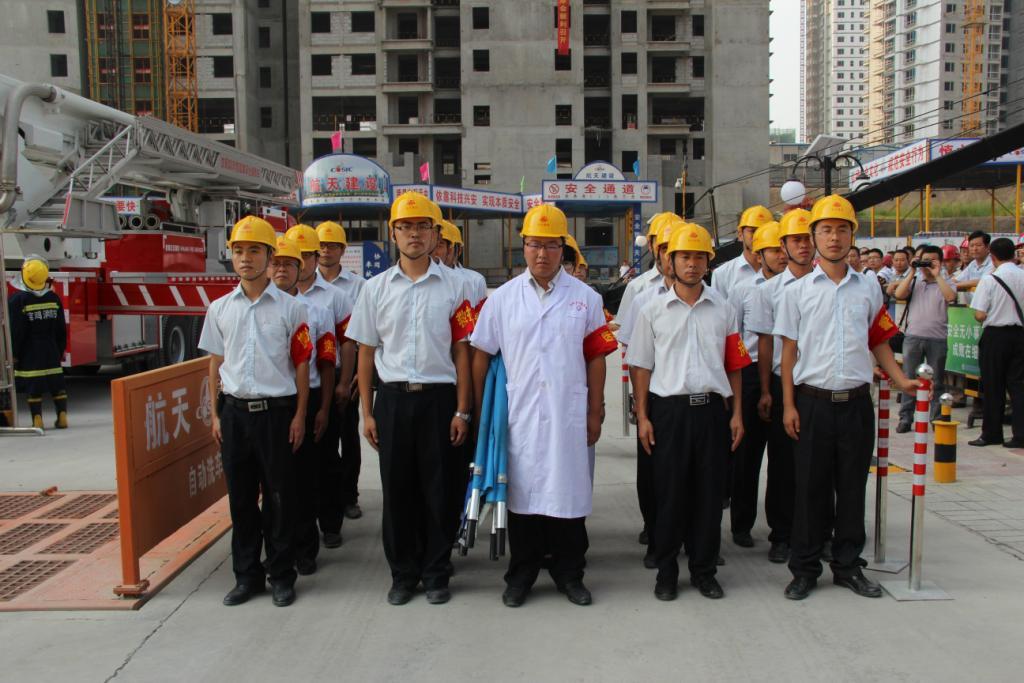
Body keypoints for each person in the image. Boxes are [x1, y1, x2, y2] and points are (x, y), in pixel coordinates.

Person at [470, 204, 617, 608]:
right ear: (524, 247)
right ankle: (521, 575)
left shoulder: (585, 299)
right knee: (522, 498)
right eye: (534, 244)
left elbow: (597, 357)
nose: (542, 254)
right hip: (518, 415)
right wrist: (483, 412)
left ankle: (570, 574)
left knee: (569, 497)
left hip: (568, 414)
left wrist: (595, 410)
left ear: (563, 249)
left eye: (551, 246)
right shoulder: (502, 299)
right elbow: (481, 353)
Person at [774, 195, 918, 602]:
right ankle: (804, 569)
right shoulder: (797, 292)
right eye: (825, 230)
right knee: (810, 490)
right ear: (813, 237)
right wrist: (788, 405)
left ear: (852, 235)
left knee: (853, 488)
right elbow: (788, 353)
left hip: (856, 403)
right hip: (812, 403)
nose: (834, 238)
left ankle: (848, 566)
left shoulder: (868, 287)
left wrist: (900, 380)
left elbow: (879, 339)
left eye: (841, 230)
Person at [346, 192, 475, 606]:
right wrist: (367, 413)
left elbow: (462, 351)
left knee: (441, 491)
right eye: (405, 226)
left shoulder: (456, 287)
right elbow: (366, 352)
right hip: (394, 402)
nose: (414, 234)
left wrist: (463, 410)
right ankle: (402, 575)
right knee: (397, 492)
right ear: (393, 233)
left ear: (436, 234)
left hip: (440, 401)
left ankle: (436, 572)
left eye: (422, 226)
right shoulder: (374, 289)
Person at [628, 223, 749, 601]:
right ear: (671, 260)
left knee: (709, 497)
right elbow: (640, 367)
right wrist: (643, 417)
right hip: (669, 413)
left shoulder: (723, 309)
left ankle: (704, 570)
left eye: (699, 257)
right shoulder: (651, 310)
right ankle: (666, 572)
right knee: (669, 495)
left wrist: (737, 414)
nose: (692, 264)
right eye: (684, 256)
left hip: (712, 412)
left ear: (709, 262)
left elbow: (734, 365)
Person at [198, 216, 312, 608]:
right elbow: (215, 363)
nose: (245, 258)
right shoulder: (219, 309)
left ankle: (281, 576)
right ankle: (246, 577)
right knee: (242, 500)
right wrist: (215, 415)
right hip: (234, 414)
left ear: (269, 256)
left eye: (254, 251)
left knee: (279, 498)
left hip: (276, 415)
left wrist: (299, 415)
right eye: (238, 251)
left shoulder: (292, 309)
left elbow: (301, 364)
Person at [747, 208, 815, 564]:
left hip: (816, 383)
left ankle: (819, 530)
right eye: (795, 240)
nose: (803, 246)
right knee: (783, 463)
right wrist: (766, 391)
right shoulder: (769, 291)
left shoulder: (828, 285)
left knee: (820, 464)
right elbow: (765, 344)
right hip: (780, 381)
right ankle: (782, 534)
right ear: (784, 245)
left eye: (807, 239)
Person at [616, 215, 684, 569]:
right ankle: (654, 529)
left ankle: (691, 536)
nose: (671, 254)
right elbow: (631, 347)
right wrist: (637, 401)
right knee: (653, 470)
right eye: (664, 246)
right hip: (655, 392)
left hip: (690, 393)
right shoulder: (640, 290)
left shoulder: (704, 290)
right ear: (655, 248)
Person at [269, 236, 337, 576]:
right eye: (276, 263)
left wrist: (323, 408)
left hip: (305, 401)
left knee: (305, 480)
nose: (281, 270)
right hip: (271, 404)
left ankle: (305, 549)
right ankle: (276, 550)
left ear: (300, 268)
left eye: (289, 263)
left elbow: (326, 363)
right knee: (273, 484)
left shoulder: (317, 312)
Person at [286, 224, 358, 547]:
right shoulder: (277, 296)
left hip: (323, 384)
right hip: (286, 393)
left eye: (306, 255)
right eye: (295, 255)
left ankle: (330, 523)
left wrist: (343, 383)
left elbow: (347, 342)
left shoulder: (334, 298)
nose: (301, 261)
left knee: (327, 458)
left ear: (315, 258)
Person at [729, 221, 788, 553]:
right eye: (774, 250)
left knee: (782, 457)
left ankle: (781, 528)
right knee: (746, 457)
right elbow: (734, 336)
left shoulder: (797, 287)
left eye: (783, 248)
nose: (781, 255)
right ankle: (741, 524)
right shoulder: (743, 290)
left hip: (784, 376)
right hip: (750, 374)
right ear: (759, 254)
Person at [316, 220, 367, 523]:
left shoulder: (358, 286)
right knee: (322, 440)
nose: (326, 251)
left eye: (332, 245)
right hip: (316, 374)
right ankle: (326, 497)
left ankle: (349, 496)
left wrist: (356, 375)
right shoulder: (302, 283)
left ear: (342, 250)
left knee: (348, 436)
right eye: (321, 246)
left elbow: (363, 335)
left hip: (346, 370)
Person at [892, 245, 956, 432]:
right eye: (924, 260)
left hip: (938, 338)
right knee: (908, 379)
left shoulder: (946, 281)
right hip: (913, 336)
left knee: (937, 381)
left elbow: (950, 297)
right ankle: (906, 418)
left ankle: (936, 418)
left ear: (940, 262)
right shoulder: (915, 280)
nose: (927, 264)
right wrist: (913, 271)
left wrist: (937, 274)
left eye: (932, 260)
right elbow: (899, 294)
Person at [968, 237, 1024, 448]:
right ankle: (1020, 436)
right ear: (1014, 254)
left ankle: (992, 433)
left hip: (995, 336)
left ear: (992, 257)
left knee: (993, 386)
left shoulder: (990, 279)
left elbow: (980, 314)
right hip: (1019, 334)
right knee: (1018, 387)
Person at [8, 255, 67, 430]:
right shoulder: (53, 298)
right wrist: (60, 349)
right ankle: (62, 416)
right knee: (56, 384)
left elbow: (17, 331)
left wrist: (14, 353)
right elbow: (61, 329)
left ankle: (37, 419)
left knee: (33, 385)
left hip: (30, 350)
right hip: (51, 347)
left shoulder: (18, 300)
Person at [712, 205, 774, 300]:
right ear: (740, 234)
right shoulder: (722, 274)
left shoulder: (782, 270)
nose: (758, 236)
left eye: (764, 232)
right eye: (753, 231)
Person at [955, 230, 994, 296]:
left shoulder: (992, 263)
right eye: (971, 245)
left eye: (978, 245)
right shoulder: (973, 264)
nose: (974, 249)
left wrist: (954, 285)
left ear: (987, 247)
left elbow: (982, 281)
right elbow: (957, 279)